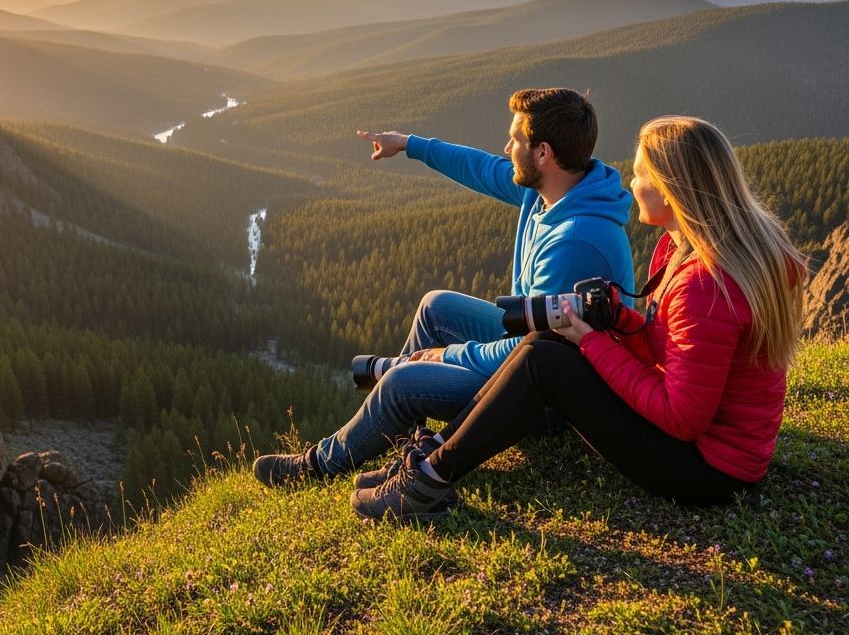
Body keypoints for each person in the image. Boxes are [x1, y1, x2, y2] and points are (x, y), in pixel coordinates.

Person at [350, 116, 809, 521]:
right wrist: (623, 321)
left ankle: (427, 480)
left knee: (540, 358)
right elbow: (674, 350)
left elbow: (681, 417)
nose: (631, 182)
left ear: (671, 191)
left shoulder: (704, 284)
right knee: (545, 346)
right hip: (715, 447)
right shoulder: (689, 248)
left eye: (642, 173)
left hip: (708, 468)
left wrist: (592, 342)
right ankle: (428, 462)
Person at [254, 87, 634, 486]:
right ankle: (406, 443)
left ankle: (316, 467)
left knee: (402, 381)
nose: (506, 148)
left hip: (549, 394)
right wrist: (409, 144)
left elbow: (532, 355)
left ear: (543, 153)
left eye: (516, 140)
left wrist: (441, 356)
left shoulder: (574, 242)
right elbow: (481, 168)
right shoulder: (554, 191)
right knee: (435, 307)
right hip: (532, 350)